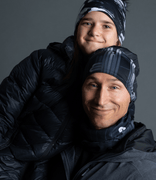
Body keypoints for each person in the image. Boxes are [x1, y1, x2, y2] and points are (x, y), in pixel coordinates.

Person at [0, 0, 128, 179]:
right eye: (87, 22)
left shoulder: (119, 84)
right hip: (4, 165)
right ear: (77, 28)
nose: (94, 32)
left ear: (118, 40)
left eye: (106, 26)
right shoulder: (43, 61)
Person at [50, 46, 156, 180]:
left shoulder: (145, 171)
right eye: (93, 85)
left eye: (114, 87)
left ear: (131, 95)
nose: (100, 100)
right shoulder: (59, 145)